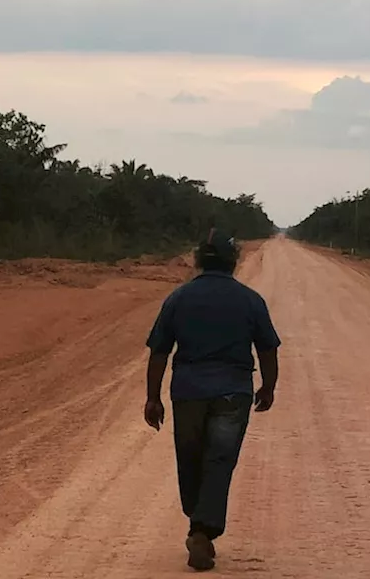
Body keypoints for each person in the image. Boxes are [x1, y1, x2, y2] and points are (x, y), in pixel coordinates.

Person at [143, 229, 281, 572]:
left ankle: (198, 524)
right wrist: (268, 386)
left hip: (188, 392)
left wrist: (152, 397)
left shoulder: (179, 298)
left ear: (199, 260)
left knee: (190, 458)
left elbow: (159, 351)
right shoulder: (250, 300)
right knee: (220, 461)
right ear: (233, 261)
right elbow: (268, 348)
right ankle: (202, 530)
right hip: (234, 393)